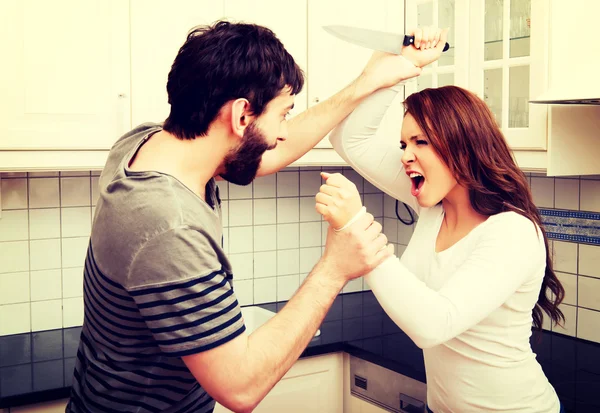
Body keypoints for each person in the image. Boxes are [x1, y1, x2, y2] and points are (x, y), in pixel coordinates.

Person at [66, 20, 445, 413]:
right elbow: (241, 387)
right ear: (241, 116)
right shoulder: (170, 227)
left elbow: (264, 152)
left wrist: (368, 81)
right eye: (283, 115)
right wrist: (335, 267)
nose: (283, 133)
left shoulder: (146, 145)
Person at [316, 30, 566, 413]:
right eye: (403, 144)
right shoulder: (434, 206)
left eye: (421, 142)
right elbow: (351, 139)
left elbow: (434, 324)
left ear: (463, 148)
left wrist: (356, 230)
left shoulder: (512, 232)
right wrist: (403, 69)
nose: (405, 156)